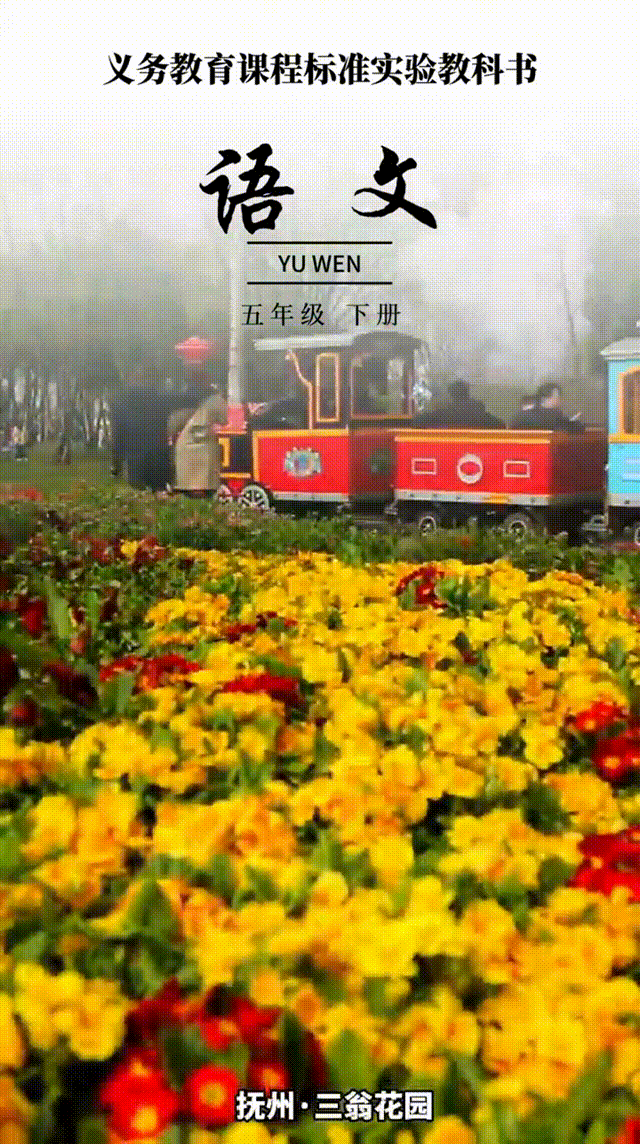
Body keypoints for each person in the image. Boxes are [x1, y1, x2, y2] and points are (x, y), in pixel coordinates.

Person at [171, 377, 228, 497]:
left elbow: (174, 423)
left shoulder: (195, 406)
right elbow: (225, 420)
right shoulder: (218, 401)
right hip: (200, 446)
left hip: (188, 445)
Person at [413, 379, 505, 428]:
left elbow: (417, 422)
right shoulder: (481, 415)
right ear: (467, 393)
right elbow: (501, 425)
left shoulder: (443, 414)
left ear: (451, 395)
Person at [509, 382, 584, 432]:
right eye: (556, 396)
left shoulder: (523, 414)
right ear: (544, 398)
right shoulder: (555, 415)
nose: (559, 399)